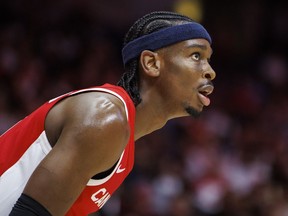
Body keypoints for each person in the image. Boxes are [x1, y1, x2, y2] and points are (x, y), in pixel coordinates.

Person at [0, 11, 216, 216]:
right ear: (151, 63)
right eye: (196, 55)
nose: (210, 71)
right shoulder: (106, 117)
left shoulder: (122, 140)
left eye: (208, 59)